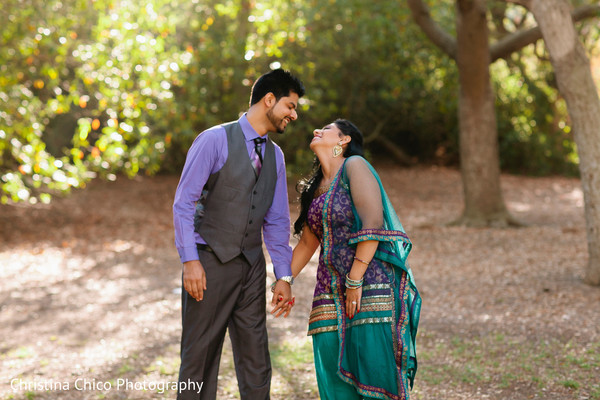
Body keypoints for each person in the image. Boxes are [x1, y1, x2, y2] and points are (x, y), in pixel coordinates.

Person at [172, 68, 305, 400]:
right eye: (290, 105)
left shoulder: (275, 156)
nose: (294, 114)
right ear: (269, 100)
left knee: (256, 359)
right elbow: (183, 203)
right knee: (199, 359)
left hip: (250, 266)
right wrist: (190, 260)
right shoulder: (213, 139)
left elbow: (275, 222)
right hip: (209, 263)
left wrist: (283, 275)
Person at [288, 119, 421, 400]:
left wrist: (354, 279)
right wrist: (284, 280)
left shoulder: (354, 166)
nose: (316, 131)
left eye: (325, 129)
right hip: (327, 294)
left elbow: (372, 222)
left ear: (344, 140)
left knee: (376, 379)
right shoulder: (316, 187)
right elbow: (308, 243)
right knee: (334, 384)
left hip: (369, 288)